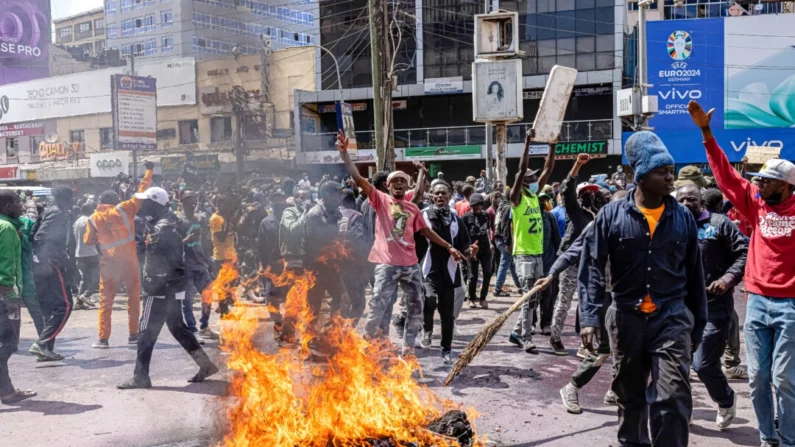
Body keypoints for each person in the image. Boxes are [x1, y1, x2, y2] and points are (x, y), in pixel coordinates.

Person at [579, 130, 707, 447]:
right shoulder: (610, 216)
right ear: (641, 175)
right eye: (662, 172)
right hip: (625, 320)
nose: (670, 178)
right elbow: (592, 268)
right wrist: (590, 317)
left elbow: (694, 276)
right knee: (630, 401)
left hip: (671, 318)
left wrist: (697, 326)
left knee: (673, 399)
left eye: (671, 171)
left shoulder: (683, 219)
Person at [689, 100, 795, 446]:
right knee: (758, 379)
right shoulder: (755, 202)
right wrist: (706, 132)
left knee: (783, 379)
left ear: (785, 186)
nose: (759, 185)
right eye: (759, 181)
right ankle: (768, 438)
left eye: (766, 181)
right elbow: (725, 174)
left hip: (791, 306)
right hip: (758, 302)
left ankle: (789, 437)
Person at [335, 130, 466, 355]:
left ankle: (408, 349)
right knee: (378, 304)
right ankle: (370, 343)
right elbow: (358, 179)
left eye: (402, 182)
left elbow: (426, 232)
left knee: (417, 307)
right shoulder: (381, 200)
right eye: (394, 181)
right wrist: (346, 154)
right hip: (387, 264)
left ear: (407, 187)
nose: (398, 184)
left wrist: (450, 246)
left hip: (411, 265)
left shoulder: (413, 208)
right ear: (387, 186)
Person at [537, 190, 628, 414]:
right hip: (603, 297)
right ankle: (572, 387)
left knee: (627, 348)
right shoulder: (598, 227)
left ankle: (616, 390)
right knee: (602, 349)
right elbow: (571, 252)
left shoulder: (639, 227)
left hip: (627, 297)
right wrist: (551, 274)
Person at [118, 187, 218, 389]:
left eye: (146, 201)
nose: (142, 205)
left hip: (159, 286)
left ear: (156, 204)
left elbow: (165, 259)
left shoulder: (162, 227)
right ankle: (205, 364)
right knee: (178, 328)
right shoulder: (169, 223)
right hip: (171, 285)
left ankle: (140, 377)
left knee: (146, 331)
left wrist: (155, 284)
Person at [676, 184, 747, 429]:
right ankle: (683, 411)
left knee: (703, 364)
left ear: (702, 202)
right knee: (677, 365)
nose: (686, 203)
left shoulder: (721, 224)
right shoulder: (670, 225)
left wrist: (727, 279)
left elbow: (744, 253)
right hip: (677, 308)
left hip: (713, 308)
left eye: (691, 199)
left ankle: (726, 399)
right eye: (681, 199)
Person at [86, 162, 154, 348]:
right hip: (129, 261)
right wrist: (148, 171)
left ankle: (103, 339)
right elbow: (142, 190)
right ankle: (133, 335)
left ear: (100, 203)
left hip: (109, 264)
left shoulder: (93, 217)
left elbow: (88, 241)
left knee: (106, 300)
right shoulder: (125, 208)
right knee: (133, 297)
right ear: (116, 200)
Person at [507, 129, 556, 354]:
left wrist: (552, 146)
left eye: (536, 178)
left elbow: (548, 169)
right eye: (532, 179)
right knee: (528, 297)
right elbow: (519, 171)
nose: (536, 180)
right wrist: (527, 142)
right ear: (523, 182)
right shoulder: (517, 199)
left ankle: (516, 332)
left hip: (537, 254)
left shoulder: (536, 197)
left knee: (534, 298)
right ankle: (526, 338)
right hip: (524, 254)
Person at [419, 181, 477, 363]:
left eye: (444, 193)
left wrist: (470, 252)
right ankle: (427, 330)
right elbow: (421, 236)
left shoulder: (455, 219)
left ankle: (446, 350)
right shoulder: (423, 216)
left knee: (447, 314)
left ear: (450, 195)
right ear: (430, 195)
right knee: (428, 301)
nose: (440, 196)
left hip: (450, 273)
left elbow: (464, 247)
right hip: (427, 269)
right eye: (436, 193)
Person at [549, 153, 598, 355]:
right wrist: (577, 165)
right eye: (585, 192)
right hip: (570, 263)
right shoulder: (574, 211)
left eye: (592, 192)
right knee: (564, 302)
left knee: (586, 304)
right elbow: (567, 190)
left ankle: (584, 345)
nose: (589, 195)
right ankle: (555, 337)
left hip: (588, 265)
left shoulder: (597, 214)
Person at [30, 186, 76, 362]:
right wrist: (46, 261)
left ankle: (46, 350)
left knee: (49, 309)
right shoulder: (57, 213)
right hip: (50, 265)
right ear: (67, 198)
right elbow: (40, 237)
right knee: (64, 305)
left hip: (40, 265)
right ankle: (42, 344)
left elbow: (32, 236)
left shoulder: (49, 211)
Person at [0, 191, 36, 404]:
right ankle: (5, 391)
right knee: (10, 343)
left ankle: (6, 389)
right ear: (7, 207)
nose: (21, 207)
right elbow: (6, 265)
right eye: (17, 203)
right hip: (7, 298)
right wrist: (11, 296)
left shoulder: (8, 227)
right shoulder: (6, 229)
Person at [177, 191, 215, 343]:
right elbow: (174, 244)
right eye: (190, 200)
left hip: (200, 264)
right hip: (186, 265)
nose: (193, 203)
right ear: (183, 201)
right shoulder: (177, 220)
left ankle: (204, 326)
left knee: (208, 295)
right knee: (187, 300)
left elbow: (206, 241)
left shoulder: (201, 218)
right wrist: (188, 239)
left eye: (195, 199)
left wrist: (209, 258)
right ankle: (192, 330)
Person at [257, 190, 288, 336]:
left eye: (281, 200)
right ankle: (278, 325)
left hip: (290, 267)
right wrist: (262, 266)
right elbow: (261, 247)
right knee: (271, 299)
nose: (278, 203)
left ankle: (289, 330)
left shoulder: (291, 220)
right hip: (272, 267)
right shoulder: (266, 223)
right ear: (272, 204)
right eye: (275, 201)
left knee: (291, 300)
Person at [338, 189, 368, 323]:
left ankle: (336, 333)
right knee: (359, 302)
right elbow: (359, 241)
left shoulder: (332, 214)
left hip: (333, 264)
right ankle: (346, 333)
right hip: (352, 265)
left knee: (341, 301)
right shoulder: (356, 216)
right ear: (353, 201)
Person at [209, 193, 239, 316]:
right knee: (223, 285)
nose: (227, 207)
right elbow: (221, 237)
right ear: (218, 205)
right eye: (224, 204)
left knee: (232, 283)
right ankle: (223, 310)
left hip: (231, 255)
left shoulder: (228, 217)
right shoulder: (215, 219)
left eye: (228, 204)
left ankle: (224, 305)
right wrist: (227, 220)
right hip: (221, 257)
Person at [537, 192, 561, 335]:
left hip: (549, 261)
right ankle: (531, 323)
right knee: (532, 295)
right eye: (540, 200)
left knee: (549, 295)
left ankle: (546, 323)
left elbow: (556, 239)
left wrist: (559, 261)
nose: (542, 203)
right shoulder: (527, 218)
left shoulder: (549, 217)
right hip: (533, 260)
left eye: (544, 200)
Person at [462, 194, 491, 309]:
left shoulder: (486, 215)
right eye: (476, 206)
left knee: (487, 273)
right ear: (472, 206)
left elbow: (488, 231)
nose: (478, 208)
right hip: (472, 249)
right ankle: (472, 298)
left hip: (485, 248)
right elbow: (463, 235)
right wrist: (469, 250)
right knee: (473, 275)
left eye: (480, 205)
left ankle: (483, 298)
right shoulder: (465, 218)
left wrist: (491, 244)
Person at [73, 202, 99, 310]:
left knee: (85, 279)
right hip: (91, 253)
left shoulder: (77, 221)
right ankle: (86, 295)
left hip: (79, 253)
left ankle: (79, 302)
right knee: (98, 276)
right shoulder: (91, 220)